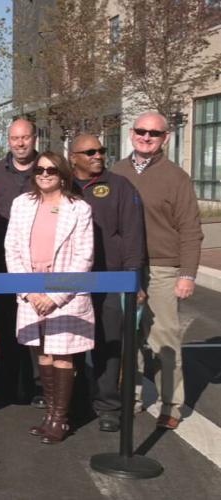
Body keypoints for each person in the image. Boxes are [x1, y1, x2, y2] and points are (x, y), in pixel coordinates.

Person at [111, 111, 203, 430]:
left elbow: (191, 229)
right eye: (141, 131)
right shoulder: (117, 172)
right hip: (126, 270)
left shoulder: (176, 177)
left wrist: (187, 274)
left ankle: (171, 403)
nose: (146, 137)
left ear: (166, 138)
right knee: (129, 337)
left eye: (154, 133)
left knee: (164, 337)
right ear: (132, 133)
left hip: (163, 268)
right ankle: (132, 396)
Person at [5, 151, 95, 444]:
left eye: (52, 170)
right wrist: (30, 292)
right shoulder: (22, 204)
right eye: (40, 169)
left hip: (65, 295)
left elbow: (84, 257)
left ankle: (60, 418)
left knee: (62, 356)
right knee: (42, 353)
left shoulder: (79, 208)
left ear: (63, 174)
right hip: (32, 290)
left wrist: (55, 297)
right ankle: (48, 414)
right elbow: (13, 250)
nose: (44, 174)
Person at [69, 133, 146, 433]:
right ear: (73, 156)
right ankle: (73, 404)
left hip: (111, 277)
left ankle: (108, 406)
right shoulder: (63, 186)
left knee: (108, 344)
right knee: (70, 344)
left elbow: (132, 234)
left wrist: (134, 279)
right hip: (70, 279)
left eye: (101, 150)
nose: (98, 155)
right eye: (89, 152)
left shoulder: (120, 186)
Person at [0, 118, 43, 408]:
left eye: (25, 137)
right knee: (6, 327)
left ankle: (40, 387)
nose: (20, 143)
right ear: (8, 140)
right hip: (1, 261)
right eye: (15, 138)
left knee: (40, 327)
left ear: (34, 138)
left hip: (38, 264)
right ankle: (5, 384)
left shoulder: (47, 168)